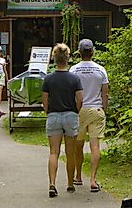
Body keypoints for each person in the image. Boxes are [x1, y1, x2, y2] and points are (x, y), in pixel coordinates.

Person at [42, 43, 83, 198]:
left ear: (54, 58)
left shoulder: (48, 79)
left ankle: (52, 184)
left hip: (53, 115)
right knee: (70, 152)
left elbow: (45, 101)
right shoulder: (74, 78)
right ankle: (70, 183)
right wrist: (76, 111)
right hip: (70, 115)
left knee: (54, 152)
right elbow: (80, 99)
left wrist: (48, 112)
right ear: (68, 58)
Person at [70, 39, 109, 192]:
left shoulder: (74, 70)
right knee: (95, 146)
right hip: (96, 109)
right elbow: (105, 92)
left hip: (79, 111)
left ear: (79, 52)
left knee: (77, 145)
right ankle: (93, 180)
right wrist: (103, 109)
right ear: (93, 52)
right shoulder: (101, 70)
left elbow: (71, 92)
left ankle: (78, 176)